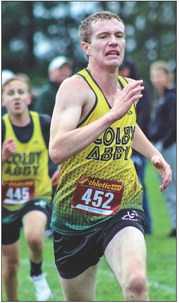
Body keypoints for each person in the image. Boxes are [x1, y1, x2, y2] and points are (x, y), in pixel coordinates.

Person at [49, 11, 172, 301]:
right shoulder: (74, 88)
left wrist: (155, 155)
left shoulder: (128, 87)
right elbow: (58, 149)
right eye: (103, 36)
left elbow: (129, 126)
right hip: (75, 212)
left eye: (119, 35)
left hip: (122, 201)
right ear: (86, 47)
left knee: (137, 283)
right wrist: (110, 115)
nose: (113, 41)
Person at [2, 76, 53, 301]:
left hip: (37, 194)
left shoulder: (43, 123)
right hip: (6, 203)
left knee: (34, 238)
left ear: (29, 98)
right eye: (10, 93)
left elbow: (64, 146)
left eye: (20, 92)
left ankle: (37, 273)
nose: (16, 97)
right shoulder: (2, 127)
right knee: (11, 265)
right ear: (3, 100)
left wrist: (63, 167)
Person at [119, 58, 152, 234]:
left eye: (125, 69)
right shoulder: (117, 88)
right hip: (121, 145)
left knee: (139, 185)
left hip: (136, 144)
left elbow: (144, 115)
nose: (122, 73)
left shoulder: (140, 87)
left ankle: (146, 224)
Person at [149, 61, 176, 237]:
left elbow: (174, 124)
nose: (156, 80)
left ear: (167, 77)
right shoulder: (161, 97)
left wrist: (163, 144)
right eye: (153, 77)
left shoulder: (172, 97)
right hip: (163, 145)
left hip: (170, 147)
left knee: (172, 186)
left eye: (159, 76)